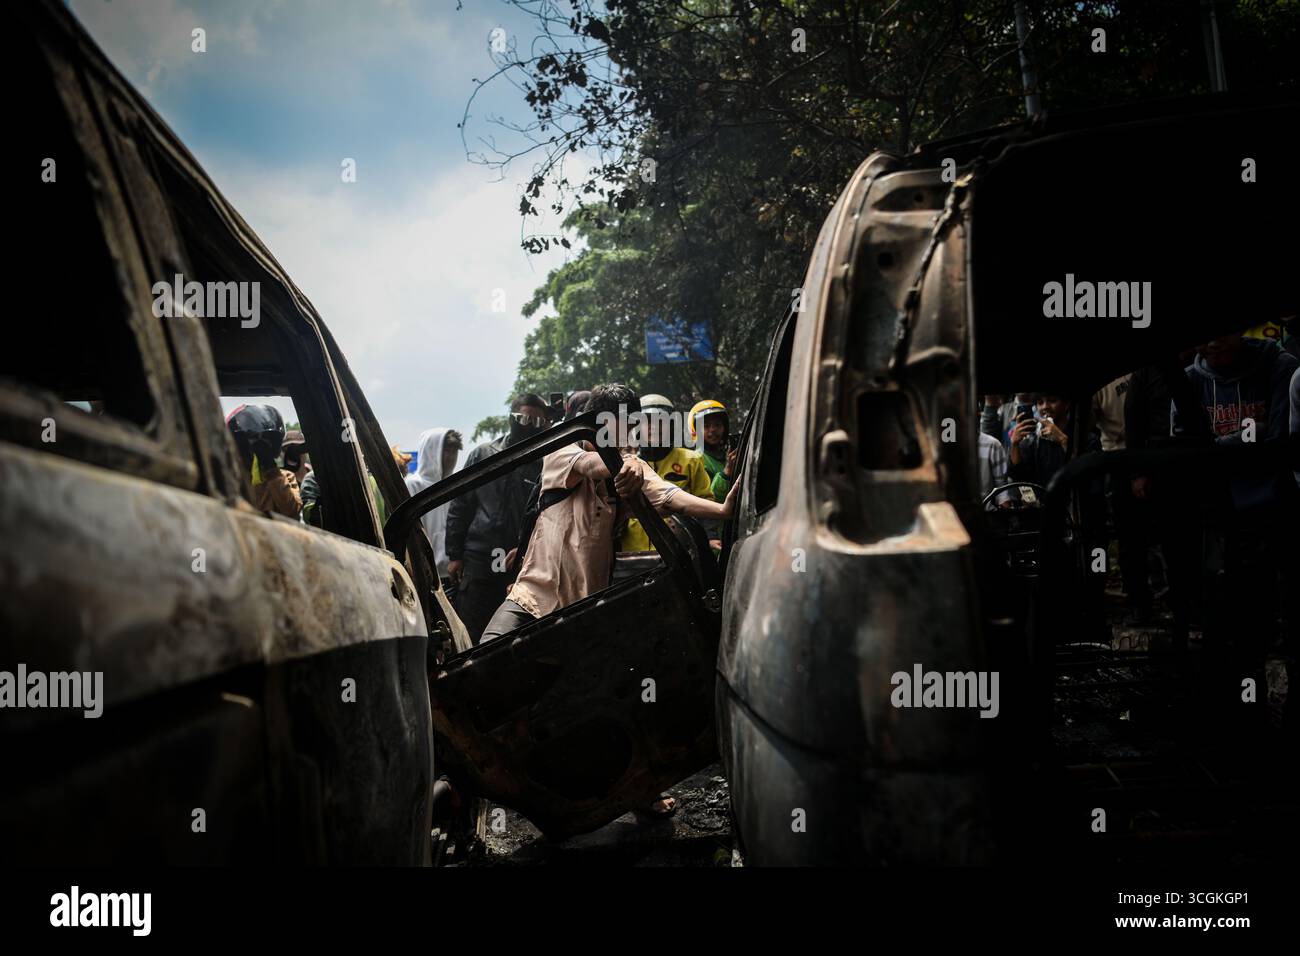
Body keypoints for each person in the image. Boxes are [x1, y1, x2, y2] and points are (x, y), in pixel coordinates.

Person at [482, 383, 738, 642]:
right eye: (625, 425)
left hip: (586, 611)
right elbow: (590, 465)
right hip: (531, 599)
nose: (631, 433)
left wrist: (723, 509)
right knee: (486, 660)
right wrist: (630, 462)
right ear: (598, 423)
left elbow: (671, 497)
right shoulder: (562, 449)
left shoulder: (631, 464)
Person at [445, 394, 549, 641]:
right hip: (478, 560)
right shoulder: (484, 454)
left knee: (512, 637)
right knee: (470, 633)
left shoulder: (546, 462)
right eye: (523, 418)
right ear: (512, 418)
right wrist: (454, 555)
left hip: (519, 566)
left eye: (536, 422)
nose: (528, 425)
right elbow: (460, 504)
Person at [617, 394, 714, 552]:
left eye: (660, 421)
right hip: (634, 554)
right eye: (646, 421)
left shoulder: (691, 460)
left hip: (682, 551)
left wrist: (711, 537)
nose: (653, 427)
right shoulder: (626, 464)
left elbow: (705, 500)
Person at [404, 428, 463, 579]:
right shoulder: (413, 485)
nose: (450, 457)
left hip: (451, 572)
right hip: (423, 572)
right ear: (432, 451)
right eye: (446, 451)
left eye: (454, 452)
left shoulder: (455, 486)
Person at [226, 404, 301, 519]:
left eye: (264, 443)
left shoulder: (285, 477)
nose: (258, 447)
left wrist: (270, 467)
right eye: (252, 442)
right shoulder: (232, 478)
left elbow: (291, 511)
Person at [689, 399, 739, 500]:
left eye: (717, 425)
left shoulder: (728, 453)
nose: (713, 430)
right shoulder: (695, 460)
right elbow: (709, 501)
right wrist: (726, 473)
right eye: (706, 426)